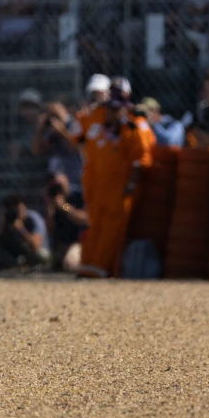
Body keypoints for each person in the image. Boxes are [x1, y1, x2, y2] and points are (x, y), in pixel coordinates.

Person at [78, 78, 152, 278]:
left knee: (111, 230)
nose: (111, 112)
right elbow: (78, 136)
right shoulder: (98, 119)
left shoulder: (134, 127)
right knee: (94, 226)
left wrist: (130, 184)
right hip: (96, 190)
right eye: (110, 107)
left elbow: (140, 160)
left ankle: (100, 268)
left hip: (115, 190)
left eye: (115, 108)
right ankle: (88, 266)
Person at [20, 89, 84, 206]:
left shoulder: (76, 125)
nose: (52, 116)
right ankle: (63, 210)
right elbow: (36, 150)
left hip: (76, 186)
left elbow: (78, 149)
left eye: (55, 112)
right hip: (56, 186)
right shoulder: (52, 131)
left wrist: (63, 132)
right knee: (59, 209)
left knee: (70, 211)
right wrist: (40, 129)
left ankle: (66, 211)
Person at [45, 173, 89, 272]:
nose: (58, 190)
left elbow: (85, 219)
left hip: (78, 243)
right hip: (61, 246)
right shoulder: (53, 202)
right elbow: (49, 230)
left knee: (70, 264)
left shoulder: (77, 196)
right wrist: (49, 209)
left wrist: (64, 206)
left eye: (59, 185)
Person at [0, 193, 48, 270]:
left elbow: (36, 245)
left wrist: (21, 229)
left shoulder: (33, 219)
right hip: (16, 252)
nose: (17, 212)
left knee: (43, 256)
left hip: (41, 252)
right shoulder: (5, 219)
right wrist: (2, 225)